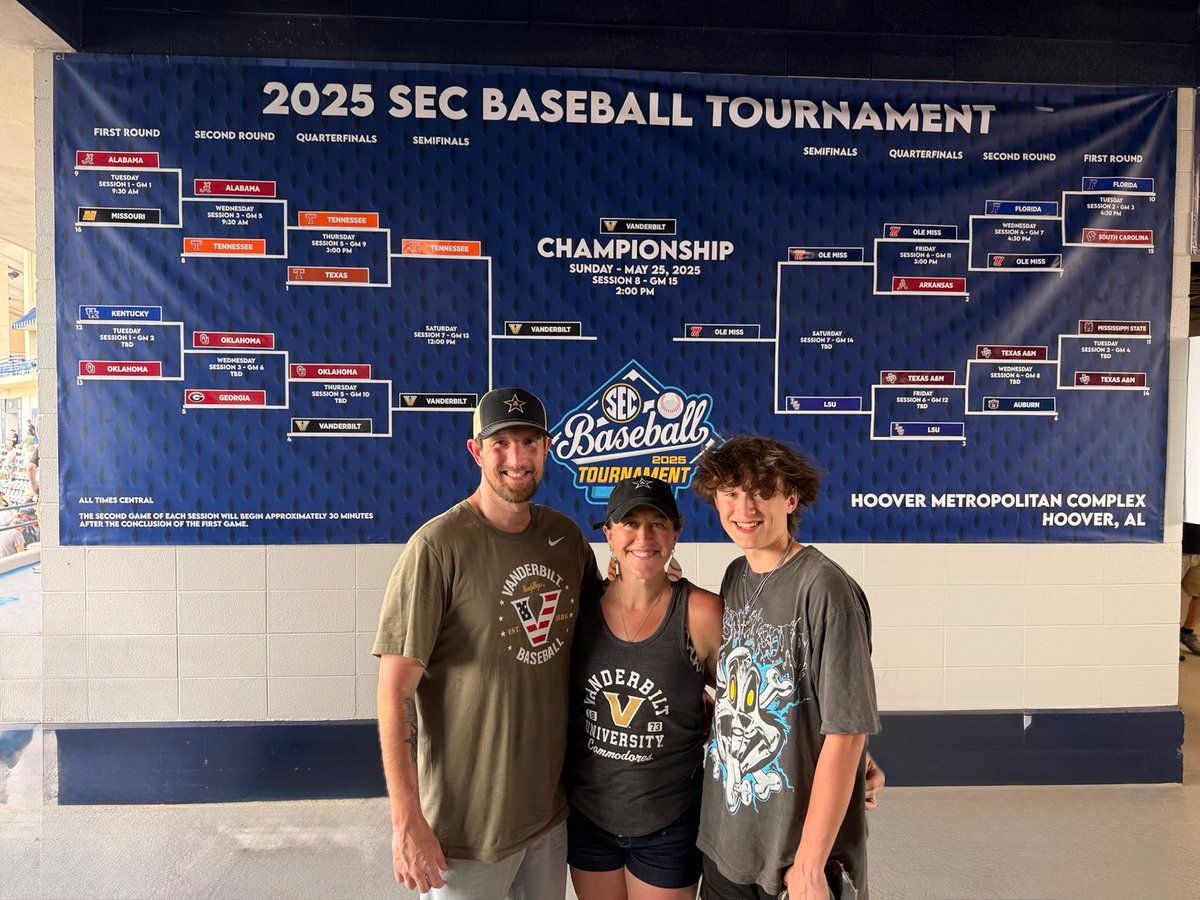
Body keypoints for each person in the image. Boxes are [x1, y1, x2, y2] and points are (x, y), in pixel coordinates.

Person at [373, 386, 603, 899]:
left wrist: (657, 584)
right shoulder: (437, 547)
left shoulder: (566, 540)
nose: (516, 459)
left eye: (529, 443)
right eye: (501, 443)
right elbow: (394, 691)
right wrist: (406, 821)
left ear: (547, 448)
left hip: (547, 817)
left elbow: (608, 628)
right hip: (465, 832)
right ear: (476, 451)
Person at [691, 435, 880, 900]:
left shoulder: (825, 588)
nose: (744, 508)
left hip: (795, 857)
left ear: (791, 499)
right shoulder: (736, 576)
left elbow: (847, 730)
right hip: (728, 841)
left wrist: (810, 867)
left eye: (761, 492)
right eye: (731, 493)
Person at [567, 476, 724, 899]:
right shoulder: (580, 609)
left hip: (667, 821)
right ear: (608, 534)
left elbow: (752, 699)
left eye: (657, 524)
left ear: (676, 533)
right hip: (590, 816)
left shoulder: (701, 612)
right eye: (630, 524)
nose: (644, 537)